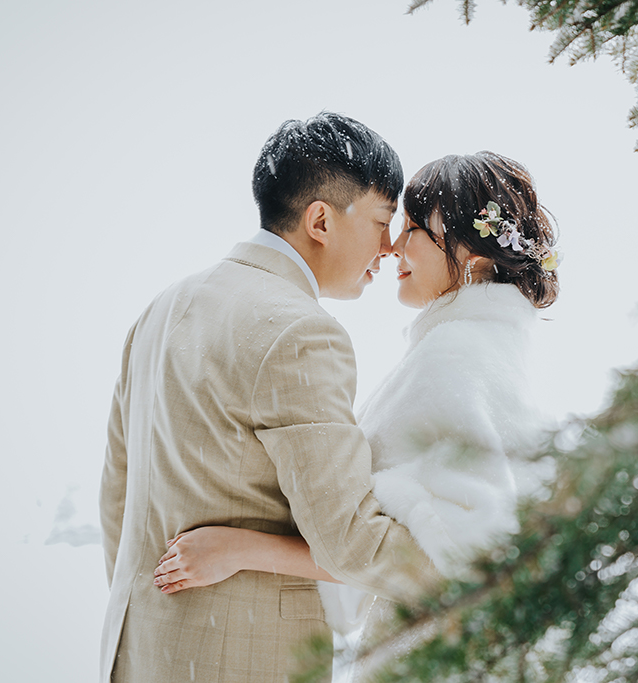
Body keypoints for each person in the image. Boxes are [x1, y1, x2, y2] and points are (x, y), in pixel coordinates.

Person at [151, 151, 561, 670]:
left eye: (414, 228)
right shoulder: (487, 354)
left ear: (474, 257)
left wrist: (242, 549)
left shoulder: (454, 360)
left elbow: (457, 563)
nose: (392, 248)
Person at [99, 112, 443, 683]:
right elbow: (349, 540)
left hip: (141, 647)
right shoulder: (299, 332)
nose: (389, 247)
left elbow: (118, 491)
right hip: (243, 660)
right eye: (383, 221)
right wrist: (467, 563)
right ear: (320, 221)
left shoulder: (162, 307)